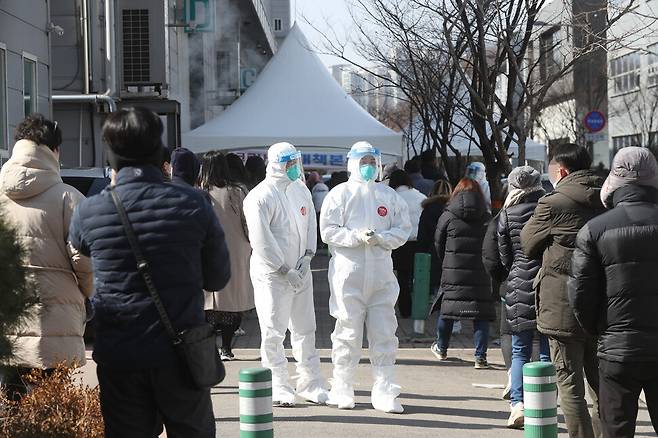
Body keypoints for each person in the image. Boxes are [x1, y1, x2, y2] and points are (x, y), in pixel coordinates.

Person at [68, 107, 230, 438]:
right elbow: (217, 278)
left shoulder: (91, 209)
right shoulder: (193, 203)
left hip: (120, 353)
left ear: (110, 152)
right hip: (181, 352)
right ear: (159, 150)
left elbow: (80, 247)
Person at [0, 114, 93, 399]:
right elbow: (85, 260)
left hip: (8, 316)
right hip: (56, 315)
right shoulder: (69, 198)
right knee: (51, 403)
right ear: (54, 150)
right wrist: (86, 292)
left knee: (11, 403)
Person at [569, 147, 658, 438]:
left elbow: (581, 295)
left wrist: (600, 331)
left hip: (617, 349)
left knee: (616, 431)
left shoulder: (594, 230)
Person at [320, 141, 411, 413]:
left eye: (373, 161)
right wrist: (355, 237)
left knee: (384, 333)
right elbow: (328, 230)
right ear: (353, 163)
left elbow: (403, 229)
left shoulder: (389, 196)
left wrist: (382, 239)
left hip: (382, 275)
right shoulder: (340, 194)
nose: (369, 167)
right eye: (364, 162)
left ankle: (384, 389)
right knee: (347, 332)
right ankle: (342, 387)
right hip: (349, 274)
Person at [521, 143, 605, 438]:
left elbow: (528, 242)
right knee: (602, 384)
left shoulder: (553, 203)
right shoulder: (609, 198)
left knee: (570, 385)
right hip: (603, 303)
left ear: (563, 171)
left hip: (562, 303)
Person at [243, 142, 327, 407]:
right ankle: (277, 384)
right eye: (289, 163)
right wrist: (282, 268)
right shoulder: (259, 196)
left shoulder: (300, 190)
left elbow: (310, 223)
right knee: (273, 330)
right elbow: (261, 239)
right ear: (277, 164)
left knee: (305, 327)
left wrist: (308, 256)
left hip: (300, 272)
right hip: (272, 275)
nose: (294, 168)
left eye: (296, 162)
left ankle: (310, 382)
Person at [497, 166, 549, 428]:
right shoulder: (548, 209)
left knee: (520, 350)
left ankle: (517, 404)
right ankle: (545, 403)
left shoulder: (506, 213)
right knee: (547, 349)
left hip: (517, 281)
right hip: (547, 282)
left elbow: (504, 256)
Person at [431, 178, 495, 368]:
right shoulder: (486, 216)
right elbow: (492, 244)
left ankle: (441, 348)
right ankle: (480, 356)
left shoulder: (448, 215)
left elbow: (438, 242)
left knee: (448, 309)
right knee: (480, 313)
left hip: (453, 270)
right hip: (480, 271)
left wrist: (447, 261)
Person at [199, 151, 255, 361]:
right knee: (232, 301)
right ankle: (227, 348)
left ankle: (210, 348)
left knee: (208, 303)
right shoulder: (238, 192)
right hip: (236, 250)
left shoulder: (199, 192)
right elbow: (248, 223)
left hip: (206, 251)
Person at [388, 169, 427, 318]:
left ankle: (405, 309)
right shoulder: (421, 196)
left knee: (402, 277)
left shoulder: (393, 198)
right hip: (419, 242)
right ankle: (419, 310)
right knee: (419, 276)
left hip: (401, 243)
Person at [417, 179, 452, 297]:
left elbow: (422, 236)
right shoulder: (453, 210)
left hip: (431, 253)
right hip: (450, 253)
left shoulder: (427, 210)